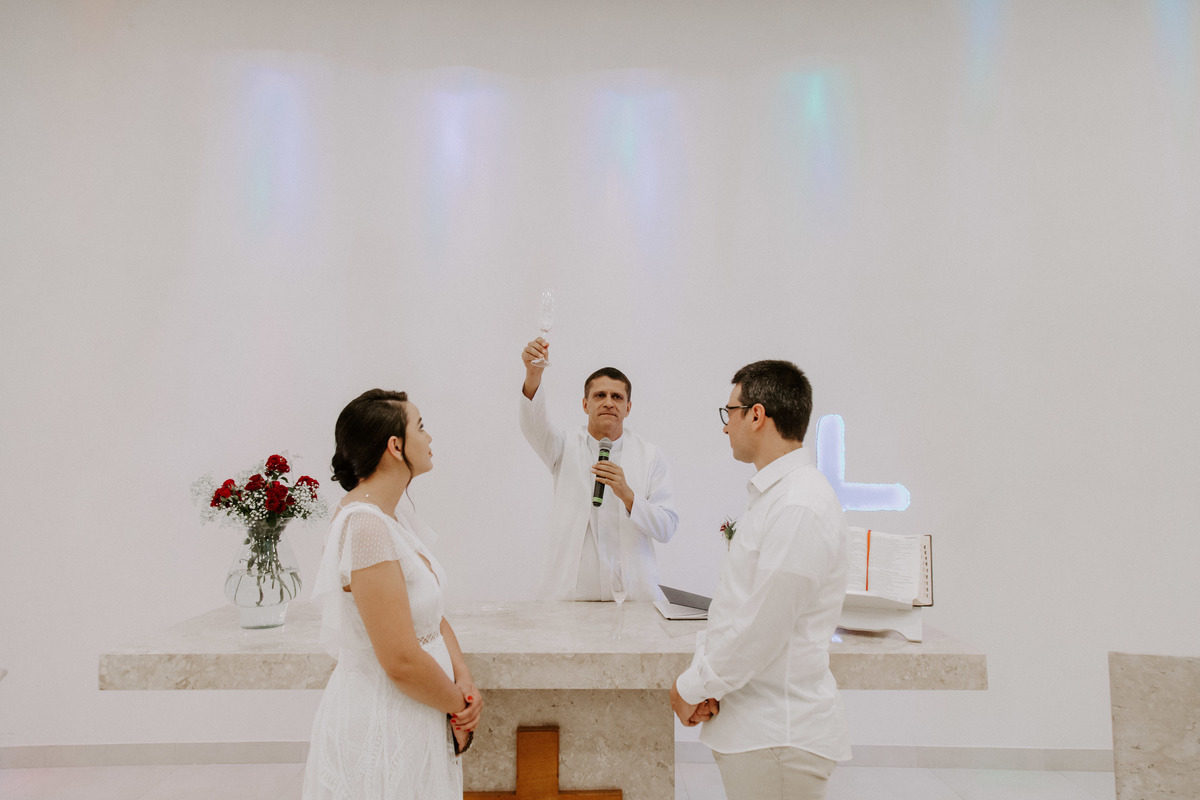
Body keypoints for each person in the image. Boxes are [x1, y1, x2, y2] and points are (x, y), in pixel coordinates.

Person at [670, 360, 851, 800]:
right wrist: (709, 680)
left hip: (778, 734)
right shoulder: (778, 497)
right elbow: (739, 609)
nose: (725, 426)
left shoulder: (798, 504)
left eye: (729, 412)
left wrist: (692, 686)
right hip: (759, 729)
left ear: (756, 414)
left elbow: (762, 627)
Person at [303, 389, 481, 800]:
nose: (429, 437)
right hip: (383, 720)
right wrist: (458, 707)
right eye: (421, 427)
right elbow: (399, 659)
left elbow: (430, 614)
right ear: (395, 446)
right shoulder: (365, 526)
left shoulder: (391, 516)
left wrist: (464, 680)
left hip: (420, 709)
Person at [519, 337, 679, 602]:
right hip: (569, 599)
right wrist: (533, 374)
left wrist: (629, 496)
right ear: (585, 404)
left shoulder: (650, 456)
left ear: (628, 408)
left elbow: (666, 529)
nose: (608, 402)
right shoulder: (563, 445)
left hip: (632, 599)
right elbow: (532, 425)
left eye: (617, 397)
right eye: (599, 395)